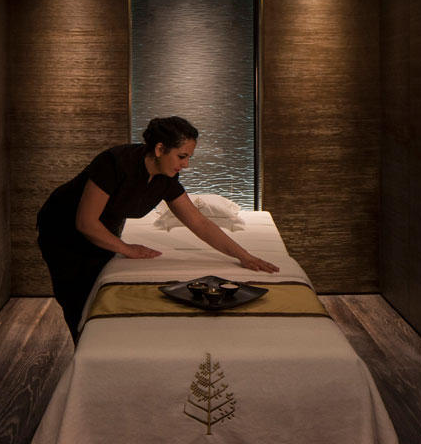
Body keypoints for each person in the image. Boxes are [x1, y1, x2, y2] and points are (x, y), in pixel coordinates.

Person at [36, 116, 279, 344]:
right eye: (182, 156)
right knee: (77, 301)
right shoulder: (114, 163)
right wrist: (127, 249)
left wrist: (243, 256)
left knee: (100, 296)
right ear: (160, 149)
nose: (186, 165)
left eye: (189, 158)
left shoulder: (165, 178)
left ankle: (111, 348)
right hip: (63, 231)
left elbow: (199, 222)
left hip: (105, 230)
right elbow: (86, 223)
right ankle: (87, 358)